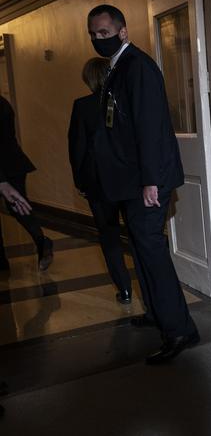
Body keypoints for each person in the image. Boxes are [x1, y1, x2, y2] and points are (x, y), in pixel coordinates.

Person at [86, 4, 198, 364]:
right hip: (130, 182)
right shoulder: (117, 68)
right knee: (142, 249)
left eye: (104, 33)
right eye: (93, 34)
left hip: (146, 182)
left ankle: (179, 330)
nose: (97, 39)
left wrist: (151, 180)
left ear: (122, 31)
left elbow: (150, 127)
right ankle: (158, 313)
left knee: (152, 253)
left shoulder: (138, 66)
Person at [68, 57, 133, 304]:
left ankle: (124, 288)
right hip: (128, 179)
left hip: (98, 182)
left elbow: (77, 148)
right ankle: (147, 288)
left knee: (109, 236)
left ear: (89, 79)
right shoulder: (124, 101)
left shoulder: (82, 106)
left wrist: (80, 182)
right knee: (136, 234)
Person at [0, 95, 53, 272]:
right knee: (19, 206)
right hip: (13, 162)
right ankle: (41, 241)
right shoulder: (3, 102)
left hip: (5, 165)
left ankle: (2, 260)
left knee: (18, 206)